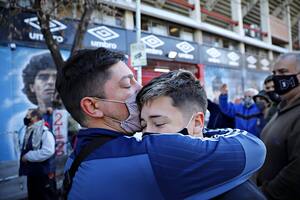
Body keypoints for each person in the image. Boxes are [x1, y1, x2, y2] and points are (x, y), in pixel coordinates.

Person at [58, 47, 266, 199]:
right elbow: (253, 149)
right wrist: (197, 132)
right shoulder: (154, 154)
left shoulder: (81, 151)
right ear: (93, 107)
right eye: (127, 84)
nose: (139, 87)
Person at [137, 70, 266, 200]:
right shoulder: (150, 177)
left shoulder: (239, 194)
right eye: (143, 125)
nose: (146, 134)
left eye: (159, 123)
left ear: (197, 123)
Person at [256, 53, 300, 199]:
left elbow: (296, 171)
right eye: (274, 73)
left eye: (283, 72)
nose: (276, 78)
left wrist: (265, 195)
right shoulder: (282, 107)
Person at [19, 108, 57, 200]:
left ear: (35, 117)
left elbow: (48, 151)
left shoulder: (45, 131)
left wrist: (28, 156)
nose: (26, 118)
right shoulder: (30, 130)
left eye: (28, 116)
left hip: (43, 174)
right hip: (33, 173)